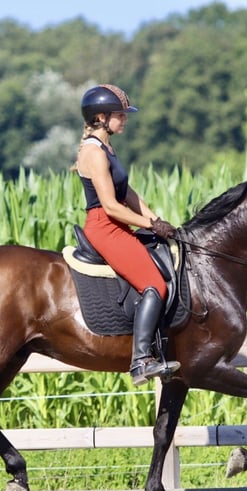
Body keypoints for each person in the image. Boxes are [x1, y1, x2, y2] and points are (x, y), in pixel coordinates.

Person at [74, 83, 181, 386]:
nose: (126, 119)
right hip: (105, 225)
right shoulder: (93, 153)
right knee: (154, 285)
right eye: (121, 114)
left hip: (117, 222)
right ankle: (141, 361)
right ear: (101, 117)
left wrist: (156, 219)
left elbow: (127, 193)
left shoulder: (107, 147)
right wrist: (148, 226)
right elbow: (110, 206)